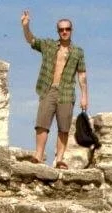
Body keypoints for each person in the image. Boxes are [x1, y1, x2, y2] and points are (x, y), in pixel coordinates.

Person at [21, 9, 89, 168]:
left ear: (71, 31)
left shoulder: (78, 52)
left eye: (67, 29)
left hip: (66, 92)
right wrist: (25, 26)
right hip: (48, 89)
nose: (64, 32)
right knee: (42, 123)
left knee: (64, 127)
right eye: (61, 29)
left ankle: (59, 159)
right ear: (58, 31)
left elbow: (82, 75)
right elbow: (31, 40)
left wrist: (85, 96)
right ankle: (38, 155)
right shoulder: (49, 45)